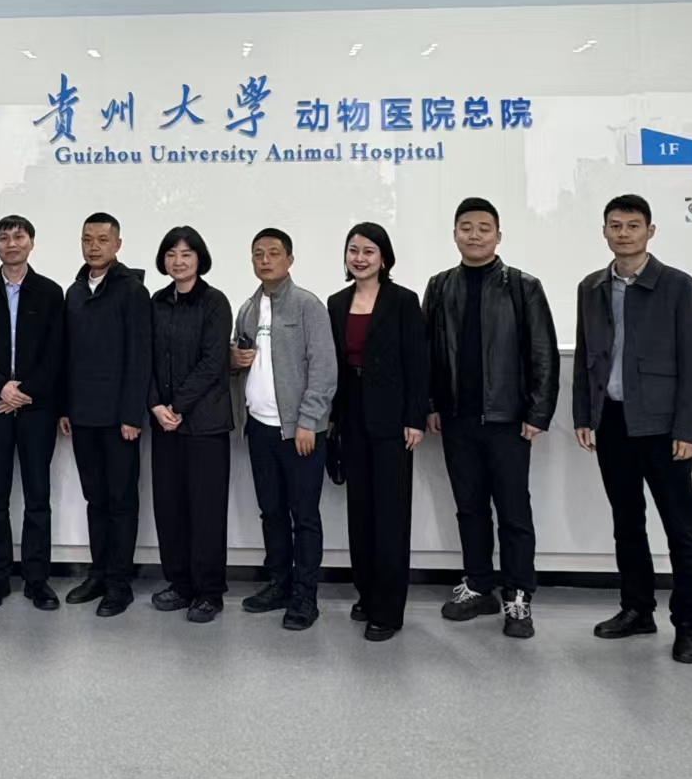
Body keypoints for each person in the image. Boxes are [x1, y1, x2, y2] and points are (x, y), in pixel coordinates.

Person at [574, 195, 692, 664]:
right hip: (612, 421)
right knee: (627, 523)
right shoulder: (591, 287)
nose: (624, 233)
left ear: (650, 231)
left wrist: (689, 427)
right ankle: (637, 609)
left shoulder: (680, 287)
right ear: (604, 231)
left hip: (663, 426)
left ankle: (690, 624)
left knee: (680, 529)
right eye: (615, 225)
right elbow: (587, 358)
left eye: (633, 225)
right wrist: (583, 416)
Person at [423, 199, 559, 639]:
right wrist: (430, 404)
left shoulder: (522, 286)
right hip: (457, 418)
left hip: (508, 420)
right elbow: (427, 351)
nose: (475, 235)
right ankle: (479, 585)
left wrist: (538, 412)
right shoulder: (440, 286)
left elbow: (543, 353)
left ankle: (518, 595)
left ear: (498, 236)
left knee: (514, 511)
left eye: (484, 228)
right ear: (454, 234)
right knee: (469, 508)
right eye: (466, 227)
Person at [232, 228, 338, 631]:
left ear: (289, 260)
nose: (265, 260)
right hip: (259, 429)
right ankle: (279, 583)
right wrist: (232, 359)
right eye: (258, 253)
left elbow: (324, 369)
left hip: (300, 432)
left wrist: (308, 421)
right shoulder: (247, 308)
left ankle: (305, 596)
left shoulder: (308, 306)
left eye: (274, 253)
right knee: (271, 512)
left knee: (304, 516)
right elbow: (239, 360)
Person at [327, 223, 428, 641]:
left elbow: (418, 362)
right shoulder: (336, 302)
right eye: (353, 250)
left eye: (369, 251)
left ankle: (388, 610)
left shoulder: (403, 300)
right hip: (351, 415)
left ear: (383, 258)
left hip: (392, 420)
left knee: (390, 515)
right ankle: (367, 594)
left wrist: (415, 418)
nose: (360, 258)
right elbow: (333, 364)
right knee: (361, 512)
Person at [0, 215, 64, 611]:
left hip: (37, 410)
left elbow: (57, 351)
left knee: (38, 497)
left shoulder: (51, 292)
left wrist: (24, 392)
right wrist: (1, 388)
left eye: (19, 237)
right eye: (4, 237)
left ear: (31, 243)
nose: (11, 243)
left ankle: (38, 580)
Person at [60, 212, 152, 617]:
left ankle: (119, 582)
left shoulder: (132, 291)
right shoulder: (75, 291)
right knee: (94, 499)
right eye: (87, 239)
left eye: (102, 239)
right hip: (82, 415)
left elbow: (140, 356)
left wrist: (132, 414)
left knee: (121, 501)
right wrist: (65, 407)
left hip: (119, 419)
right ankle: (97, 573)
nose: (93, 246)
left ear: (117, 244)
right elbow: (67, 355)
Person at [147, 226, 233, 625]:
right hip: (164, 424)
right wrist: (155, 404)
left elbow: (213, 361)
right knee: (170, 507)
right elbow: (145, 357)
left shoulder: (214, 302)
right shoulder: (156, 301)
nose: (178, 261)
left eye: (186, 254)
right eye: (171, 254)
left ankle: (208, 592)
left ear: (200, 258)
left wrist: (177, 406)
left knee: (206, 510)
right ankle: (179, 584)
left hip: (205, 425)